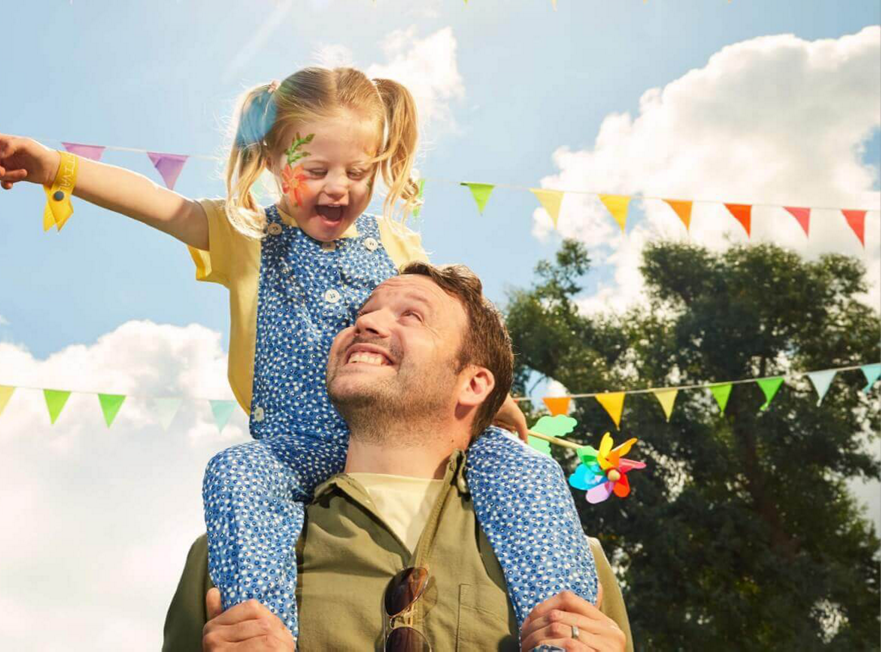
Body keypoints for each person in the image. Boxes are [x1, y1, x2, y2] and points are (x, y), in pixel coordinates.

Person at [0, 67, 595, 641]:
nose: (338, 189)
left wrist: (494, 401)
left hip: (397, 437)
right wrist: (55, 168)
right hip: (287, 450)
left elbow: (441, 341)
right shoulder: (245, 236)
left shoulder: (395, 243)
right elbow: (158, 204)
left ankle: (566, 627)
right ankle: (262, 632)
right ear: (268, 158)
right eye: (314, 170)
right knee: (235, 470)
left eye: (358, 172)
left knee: (519, 464)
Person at [163, 263, 633, 651]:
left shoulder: (573, 563)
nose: (365, 324)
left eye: (411, 316)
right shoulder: (224, 553)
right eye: (363, 314)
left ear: (473, 383)